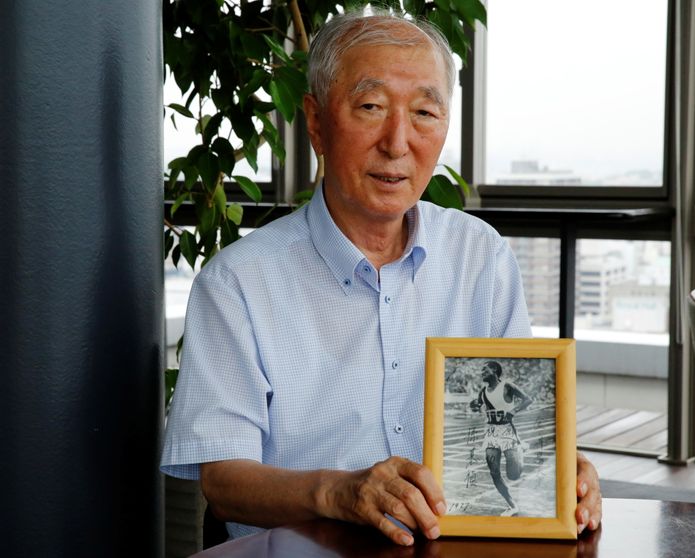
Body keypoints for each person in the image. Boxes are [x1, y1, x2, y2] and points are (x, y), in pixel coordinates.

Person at [161, 10, 602, 547]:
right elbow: (224, 481)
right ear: (317, 122)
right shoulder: (238, 283)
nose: (398, 143)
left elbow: (511, 420)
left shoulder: (480, 257)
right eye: (370, 107)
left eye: (424, 112)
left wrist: (556, 474)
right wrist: (338, 492)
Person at [469, 361, 533, 516]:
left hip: (507, 432)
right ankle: (512, 505)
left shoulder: (507, 386)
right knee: (494, 472)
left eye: (485, 369)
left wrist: (514, 411)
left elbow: (528, 399)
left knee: (513, 475)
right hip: (491, 433)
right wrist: (474, 405)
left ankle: (520, 451)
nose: (482, 372)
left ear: (495, 370)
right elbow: (477, 404)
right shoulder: (483, 392)